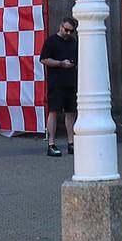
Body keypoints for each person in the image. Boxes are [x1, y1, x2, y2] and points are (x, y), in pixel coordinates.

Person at [39, 17, 76, 156]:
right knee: (54, 111)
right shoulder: (51, 41)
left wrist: (72, 64)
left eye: (71, 31)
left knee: (70, 112)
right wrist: (61, 63)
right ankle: (51, 143)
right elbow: (43, 59)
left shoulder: (73, 41)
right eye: (66, 30)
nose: (68, 33)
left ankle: (71, 142)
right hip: (56, 82)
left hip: (70, 80)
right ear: (60, 27)